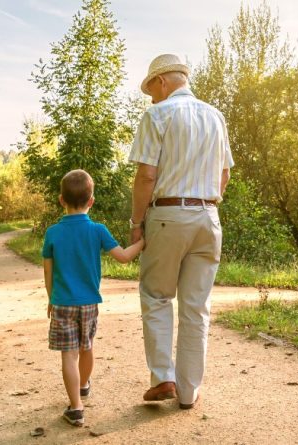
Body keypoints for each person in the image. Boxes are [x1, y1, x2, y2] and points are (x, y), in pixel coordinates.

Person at [128, 54, 234, 410]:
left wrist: (136, 223)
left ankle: (163, 378)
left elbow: (146, 175)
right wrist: (207, 203)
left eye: (151, 91)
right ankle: (188, 392)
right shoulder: (216, 116)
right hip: (208, 217)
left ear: (161, 82)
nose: (151, 99)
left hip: (168, 215)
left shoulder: (158, 115)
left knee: (157, 296)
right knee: (196, 307)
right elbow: (224, 174)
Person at [42, 169, 144, 426]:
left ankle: (76, 407)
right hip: (89, 303)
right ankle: (83, 384)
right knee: (86, 347)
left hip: (63, 302)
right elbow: (123, 257)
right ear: (91, 201)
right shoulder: (97, 230)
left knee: (69, 355)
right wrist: (143, 242)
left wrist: (51, 298)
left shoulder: (52, 232)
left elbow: (48, 271)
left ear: (61, 200)